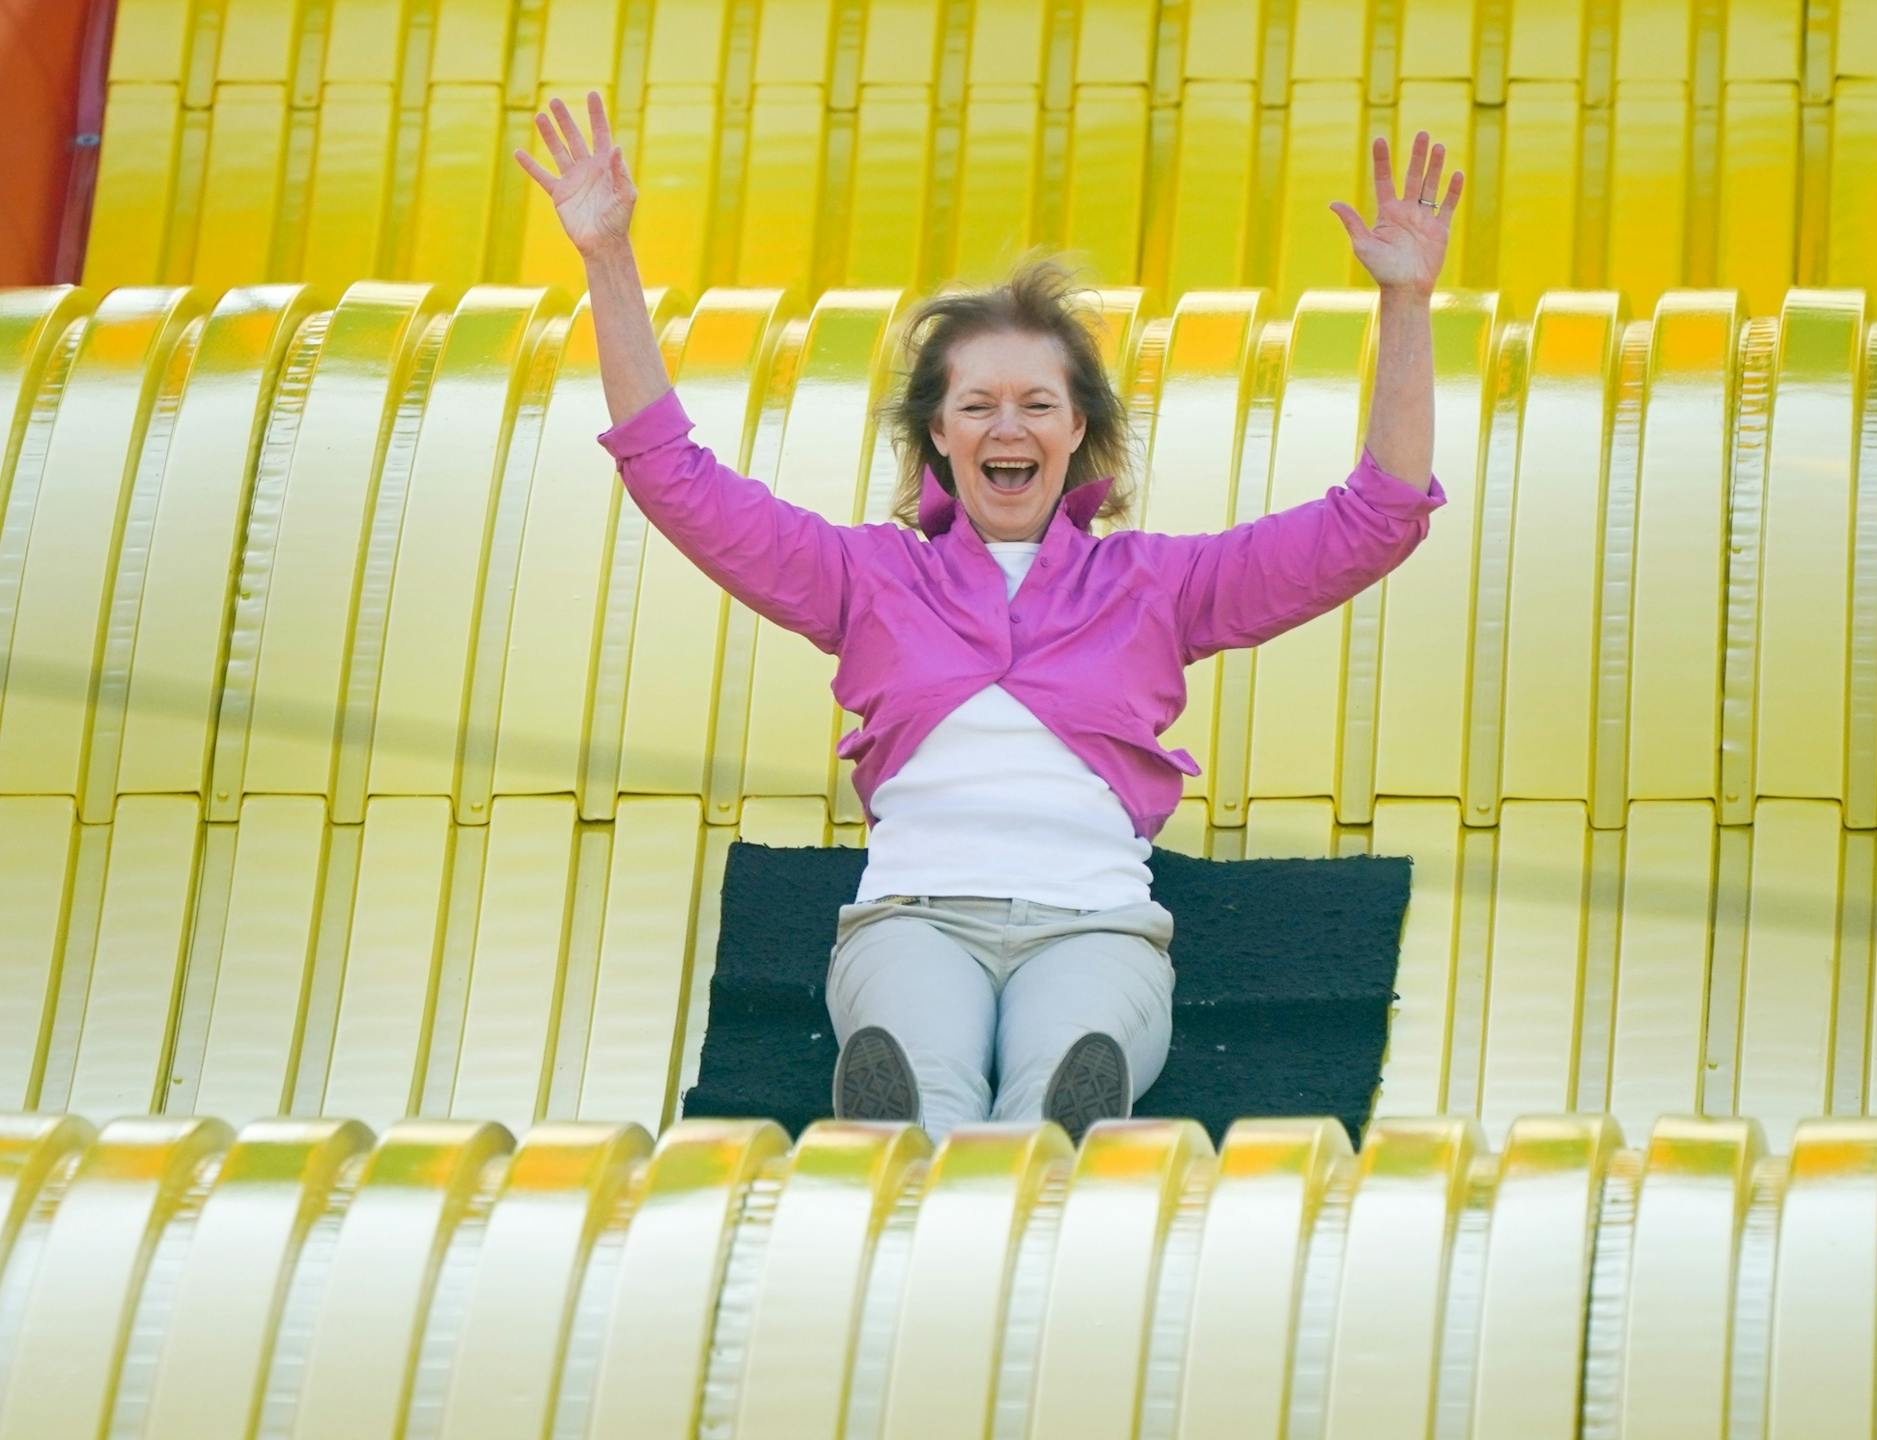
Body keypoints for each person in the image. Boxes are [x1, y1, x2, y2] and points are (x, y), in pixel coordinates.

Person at [517, 92, 1463, 1145]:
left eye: (1037, 404)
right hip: (915, 920)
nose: (1006, 425)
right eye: (977, 405)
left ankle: (1050, 1138)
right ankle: (911, 1129)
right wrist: (606, 257)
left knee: (1061, 1084)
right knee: (924, 1090)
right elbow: (674, 479)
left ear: (1078, 433)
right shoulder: (864, 578)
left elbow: (1376, 520)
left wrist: (1406, 305)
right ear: (937, 434)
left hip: (1095, 925)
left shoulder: (1156, 584)